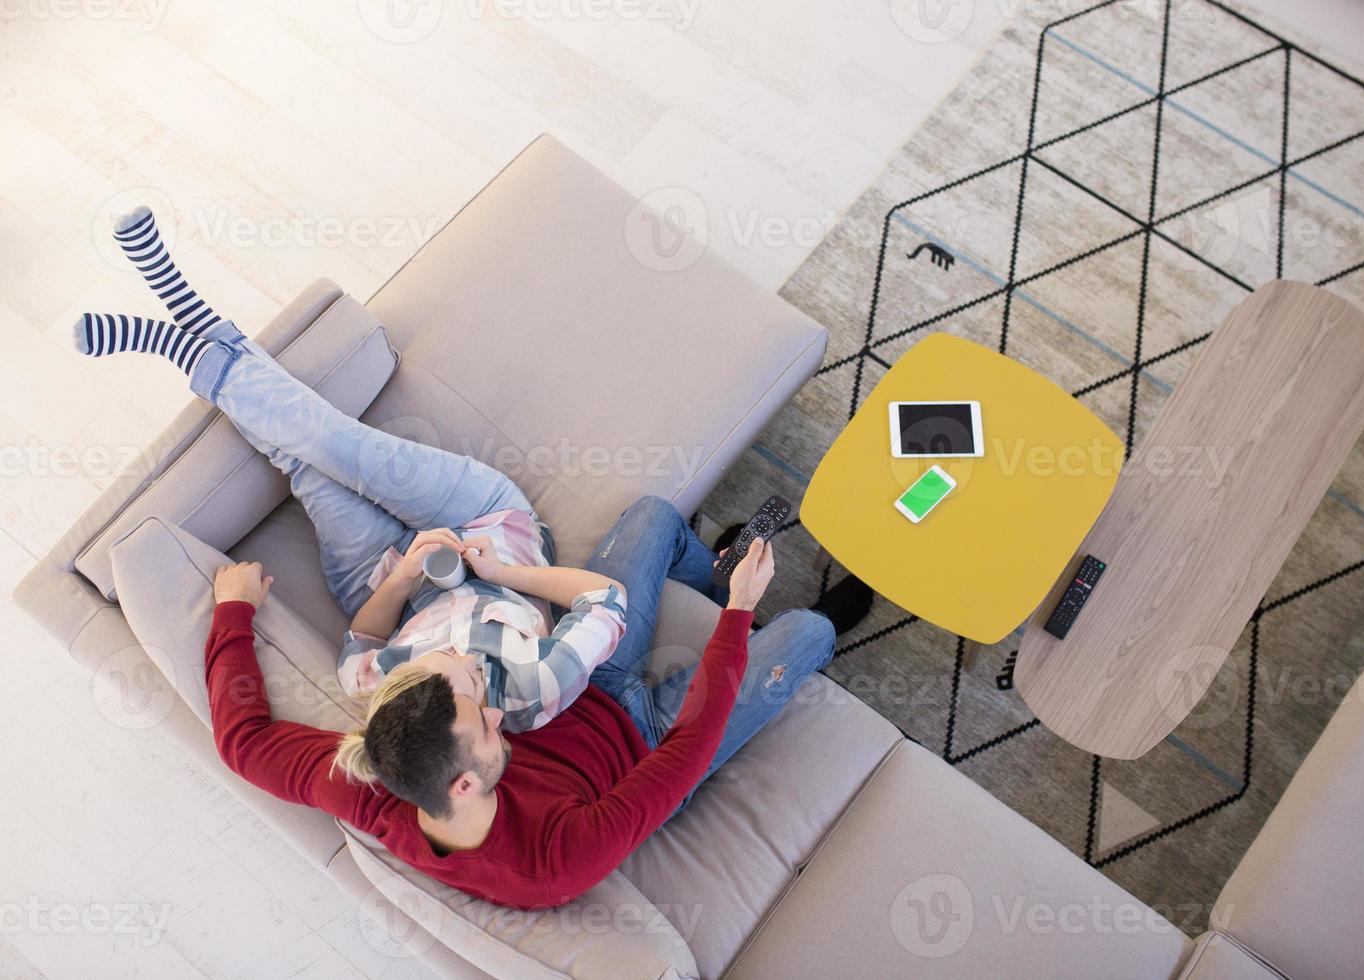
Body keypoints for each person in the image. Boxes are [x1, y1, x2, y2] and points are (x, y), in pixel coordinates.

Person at [79, 204, 838, 908]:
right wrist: (738, 613)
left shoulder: (379, 772)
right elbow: (688, 749)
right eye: (481, 708)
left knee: (650, 517)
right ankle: (193, 338)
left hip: (586, 662)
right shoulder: (556, 863)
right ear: (470, 778)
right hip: (648, 737)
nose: (481, 683)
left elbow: (244, 747)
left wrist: (235, 613)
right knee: (807, 633)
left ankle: (702, 569)